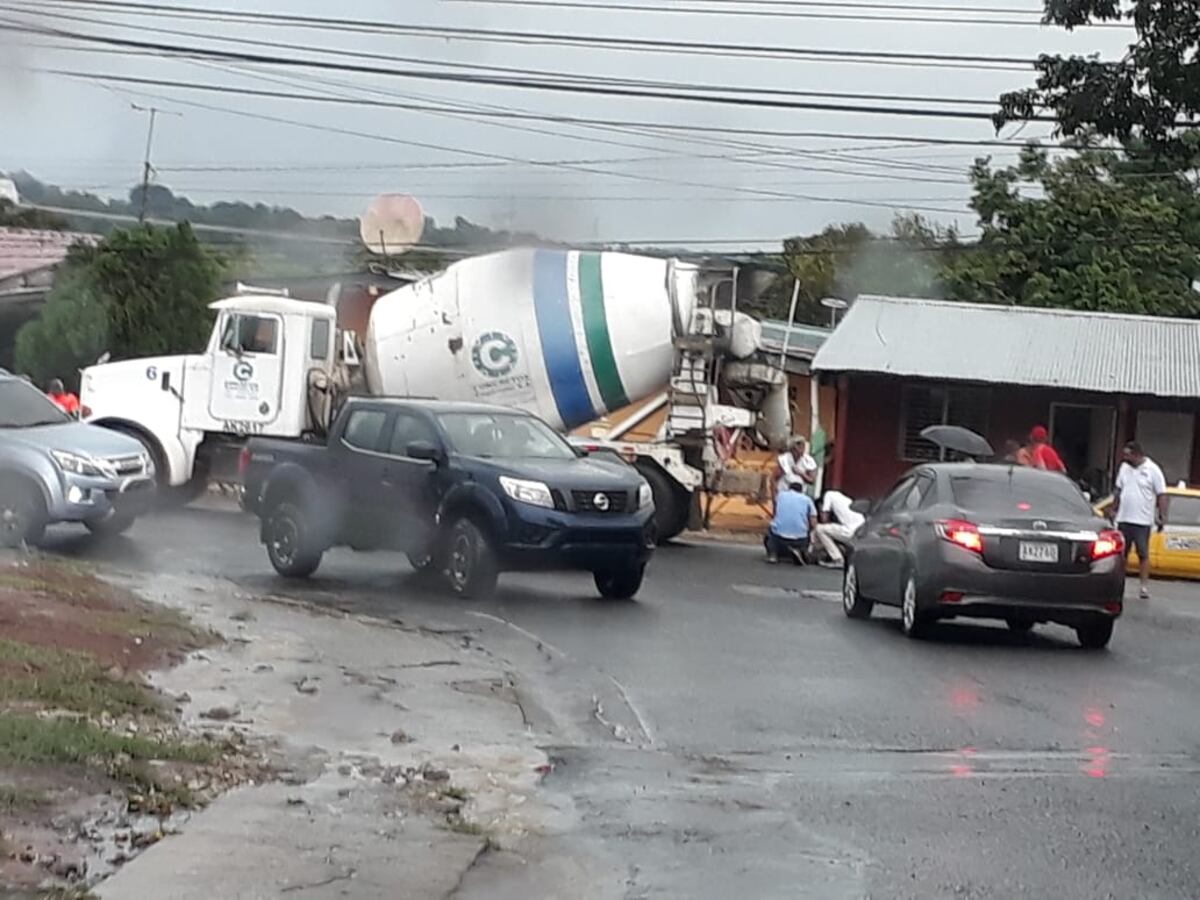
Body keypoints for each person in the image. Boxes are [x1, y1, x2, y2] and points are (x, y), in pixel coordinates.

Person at [1113, 441, 1167, 599]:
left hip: (1142, 521)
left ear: (1137, 454)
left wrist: (1161, 516)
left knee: (1142, 554)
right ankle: (1118, 585)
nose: (1125, 457)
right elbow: (1118, 489)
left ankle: (1143, 587)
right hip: (1124, 519)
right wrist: (1113, 509)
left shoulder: (1152, 470)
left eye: (1128, 454)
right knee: (1122, 555)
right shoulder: (1124, 468)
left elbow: (1161, 494)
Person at [764, 481, 817, 564]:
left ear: (789, 488)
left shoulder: (780, 496)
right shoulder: (807, 499)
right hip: (800, 537)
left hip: (778, 536)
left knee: (771, 529)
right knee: (804, 533)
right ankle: (801, 551)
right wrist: (809, 530)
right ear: (801, 490)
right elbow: (813, 522)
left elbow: (776, 511)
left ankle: (773, 555)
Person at [813, 488, 865, 568]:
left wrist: (819, 515)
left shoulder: (829, 494)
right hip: (861, 530)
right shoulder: (844, 499)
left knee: (819, 528)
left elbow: (824, 518)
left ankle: (838, 559)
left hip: (850, 531)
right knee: (829, 530)